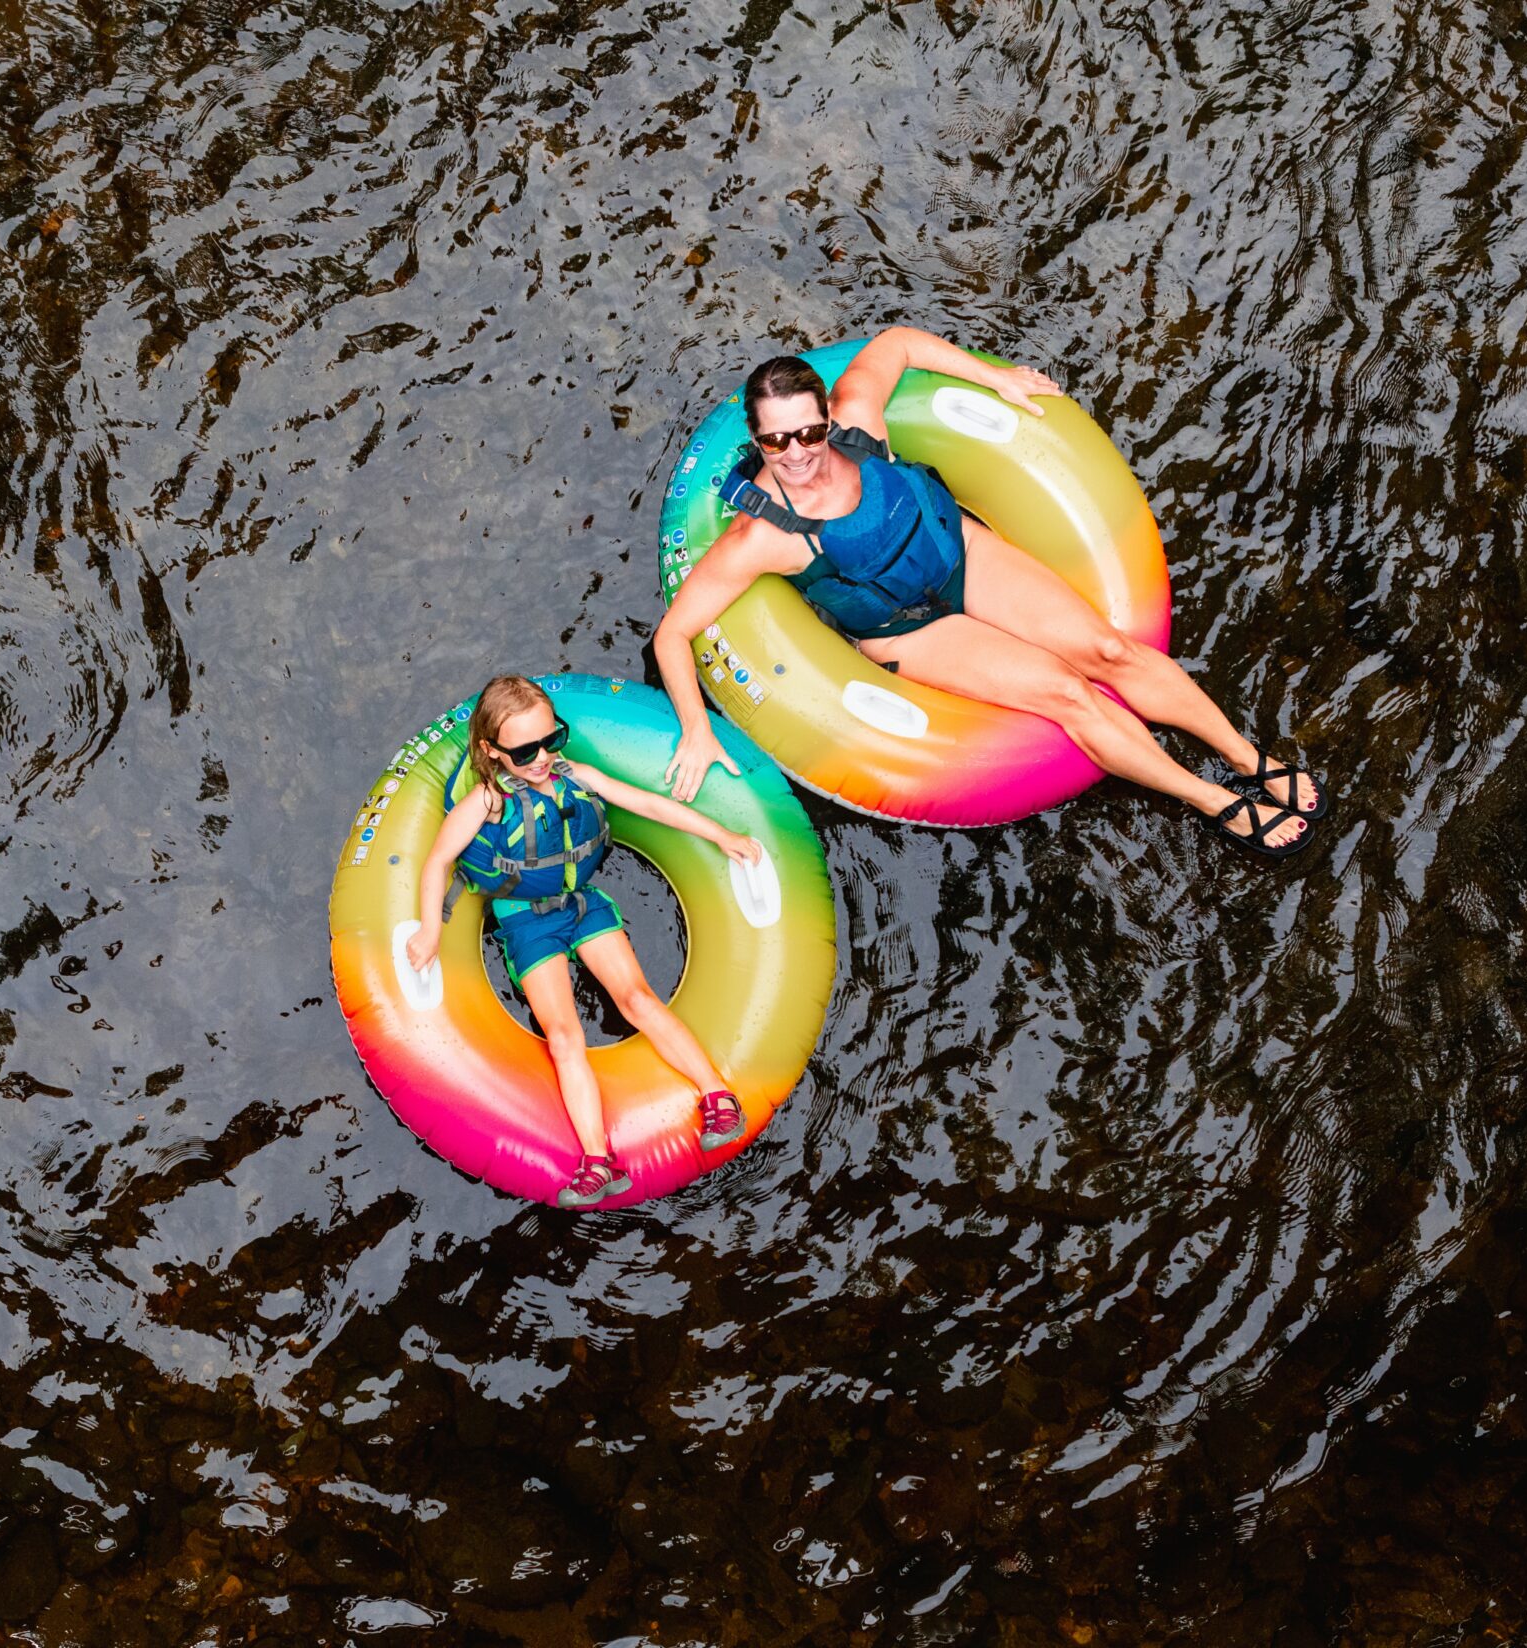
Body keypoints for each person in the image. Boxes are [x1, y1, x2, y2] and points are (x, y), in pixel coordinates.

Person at [656, 327, 1324, 857]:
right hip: (909, 630)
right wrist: (694, 728)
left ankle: (1246, 755)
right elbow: (674, 634)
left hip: (963, 554)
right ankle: (1210, 799)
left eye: (807, 431)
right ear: (756, 439)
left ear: (827, 417)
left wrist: (993, 377)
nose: (796, 453)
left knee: (1108, 650)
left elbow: (899, 343)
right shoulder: (759, 538)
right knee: (1069, 694)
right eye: (776, 441)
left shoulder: (861, 419)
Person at [406, 676, 766, 1208]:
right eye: (525, 750)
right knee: (564, 1035)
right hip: (526, 919)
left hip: (581, 903)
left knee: (638, 998)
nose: (542, 758)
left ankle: (717, 1096)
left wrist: (723, 835)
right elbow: (437, 860)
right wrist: (430, 930)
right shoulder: (487, 801)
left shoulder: (578, 775)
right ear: (491, 751)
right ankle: (598, 1161)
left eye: (552, 741)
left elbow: (650, 805)